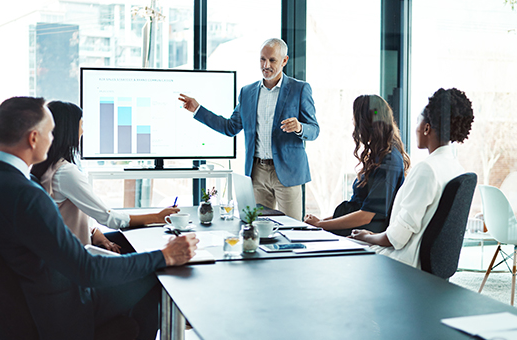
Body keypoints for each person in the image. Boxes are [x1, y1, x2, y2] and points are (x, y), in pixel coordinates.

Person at [0, 96, 199, 340]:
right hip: (57, 314)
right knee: (155, 277)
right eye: (50, 132)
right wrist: (164, 256)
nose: (53, 138)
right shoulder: (28, 195)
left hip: (8, 317)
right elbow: (86, 270)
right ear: (34, 138)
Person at [178, 38, 319, 220]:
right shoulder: (247, 92)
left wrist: (300, 127)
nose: (266, 65)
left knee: (291, 229)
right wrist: (198, 109)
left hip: (288, 172)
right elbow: (230, 127)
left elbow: (314, 130)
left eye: (272, 60)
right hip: (257, 173)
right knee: (258, 227)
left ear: (284, 61)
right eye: (262, 59)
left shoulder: (299, 89)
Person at [30, 101, 179, 252]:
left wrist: (95, 231)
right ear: (69, 130)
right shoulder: (65, 173)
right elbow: (109, 218)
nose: (83, 131)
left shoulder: (45, 167)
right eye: (81, 125)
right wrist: (158, 217)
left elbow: (67, 215)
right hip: (74, 258)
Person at [350, 88, 475, 268]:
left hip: (402, 263)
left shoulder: (427, 169)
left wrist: (367, 237)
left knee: (339, 252)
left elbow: (396, 239)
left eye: (418, 121)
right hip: (421, 265)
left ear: (426, 128)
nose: (415, 127)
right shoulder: (456, 168)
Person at [304, 95, 410, 236]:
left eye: (356, 118)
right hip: (354, 230)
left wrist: (321, 225)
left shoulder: (389, 161)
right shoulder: (379, 156)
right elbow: (358, 207)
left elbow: (366, 215)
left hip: (362, 235)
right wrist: (320, 222)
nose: (353, 122)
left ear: (366, 123)